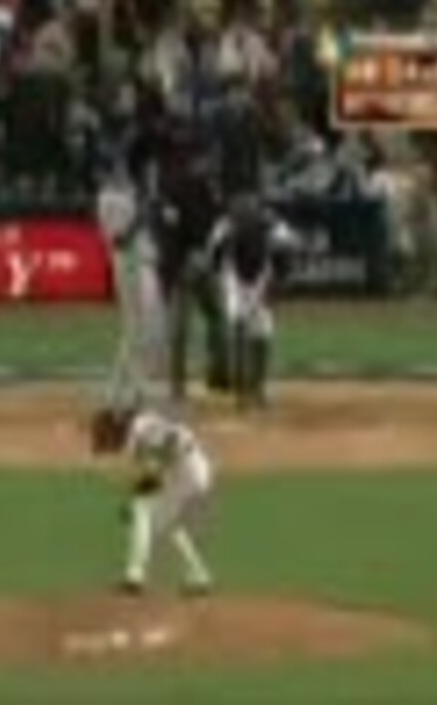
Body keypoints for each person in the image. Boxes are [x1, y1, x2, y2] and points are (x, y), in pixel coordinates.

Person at [91, 406, 215, 596]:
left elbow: (156, 468)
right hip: (186, 469)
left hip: (187, 471)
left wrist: (135, 493)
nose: (106, 438)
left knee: (142, 508)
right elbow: (154, 470)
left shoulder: (141, 429)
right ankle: (198, 575)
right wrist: (139, 489)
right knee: (162, 521)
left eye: (108, 431)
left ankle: (135, 577)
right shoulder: (141, 427)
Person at [207, 193, 297, 408]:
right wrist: (221, 280)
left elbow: (286, 258)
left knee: (263, 330)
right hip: (233, 276)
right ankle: (241, 387)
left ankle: (258, 386)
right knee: (237, 323)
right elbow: (214, 257)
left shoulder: (275, 227)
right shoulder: (225, 227)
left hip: (263, 275)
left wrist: (271, 290)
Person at [97, 157, 167, 409]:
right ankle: (123, 393)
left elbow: (148, 225)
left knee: (150, 329)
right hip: (128, 266)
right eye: (115, 169)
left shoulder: (129, 193)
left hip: (143, 263)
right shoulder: (106, 199)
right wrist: (144, 210)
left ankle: (131, 390)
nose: (121, 172)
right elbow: (121, 239)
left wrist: (148, 205)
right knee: (134, 330)